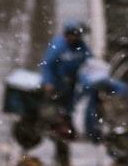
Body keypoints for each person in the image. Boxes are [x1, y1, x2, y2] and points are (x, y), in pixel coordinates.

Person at [39, 20, 93, 166]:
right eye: (71, 35)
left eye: (76, 36)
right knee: (58, 115)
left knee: (68, 110)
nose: (74, 39)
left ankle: (65, 136)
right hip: (57, 86)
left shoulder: (82, 47)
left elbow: (90, 61)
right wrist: (48, 82)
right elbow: (47, 66)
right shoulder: (58, 47)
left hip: (71, 86)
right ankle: (60, 141)